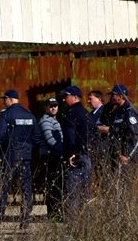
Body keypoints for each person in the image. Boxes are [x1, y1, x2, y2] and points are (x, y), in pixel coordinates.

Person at [0, 89, 42, 228]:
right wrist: (29, 151)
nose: (3, 102)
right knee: (26, 187)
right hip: (26, 157)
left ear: (10, 99)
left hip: (10, 156)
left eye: (4, 99)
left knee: (4, 186)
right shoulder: (29, 115)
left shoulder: (6, 115)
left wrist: (0, 153)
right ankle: (25, 218)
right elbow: (37, 137)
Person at [59, 85, 92, 223]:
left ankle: (72, 226)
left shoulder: (71, 114)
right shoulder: (86, 113)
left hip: (76, 157)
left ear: (75, 97)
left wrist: (71, 153)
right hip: (87, 157)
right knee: (86, 193)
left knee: (72, 192)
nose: (64, 99)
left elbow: (70, 135)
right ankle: (87, 224)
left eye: (66, 96)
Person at [107, 85, 138, 190]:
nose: (111, 98)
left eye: (113, 95)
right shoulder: (116, 112)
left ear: (120, 96)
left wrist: (128, 156)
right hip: (116, 156)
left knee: (125, 188)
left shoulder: (129, 112)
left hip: (126, 158)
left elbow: (136, 137)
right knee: (116, 189)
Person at [38, 97, 64, 222]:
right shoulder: (46, 121)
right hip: (50, 156)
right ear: (46, 107)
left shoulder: (54, 119)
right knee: (52, 185)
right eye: (51, 106)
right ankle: (53, 214)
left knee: (56, 185)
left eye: (55, 105)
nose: (53, 108)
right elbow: (50, 139)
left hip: (54, 155)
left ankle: (55, 213)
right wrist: (62, 151)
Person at [87, 90, 109, 183]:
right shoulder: (91, 114)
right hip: (94, 149)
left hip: (103, 149)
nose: (88, 101)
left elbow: (109, 128)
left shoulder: (105, 111)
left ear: (99, 99)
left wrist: (94, 127)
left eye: (90, 98)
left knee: (104, 176)